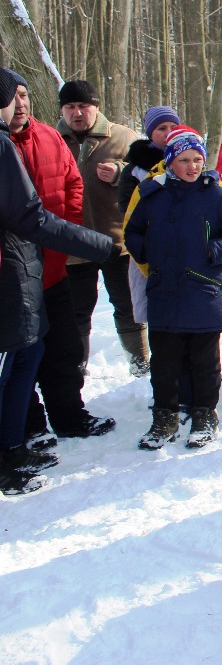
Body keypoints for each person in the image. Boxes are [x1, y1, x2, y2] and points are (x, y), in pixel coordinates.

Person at [1, 69, 113, 495]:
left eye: (27, 95)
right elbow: (24, 214)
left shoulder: (49, 138)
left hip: (50, 264)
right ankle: (25, 429)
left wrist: (63, 238)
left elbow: (71, 185)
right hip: (11, 272)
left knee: (62, 344)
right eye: (16, 96)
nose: (23, 103)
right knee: (18, 357)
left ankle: (68, 414)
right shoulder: (3, 145)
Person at [126, 127, 222, 450]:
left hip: (204, 292)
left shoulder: (216, 194)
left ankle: (204, 414)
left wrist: (214, 251)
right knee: (164, 362)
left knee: (204, 362)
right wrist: (147, 252)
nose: (192, 167)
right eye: (184, 160)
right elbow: (132, 232)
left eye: (197, 159)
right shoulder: (151, 194)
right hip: (164, 292)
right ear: (170, 162)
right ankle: (165, 417)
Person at [56, 80, 149, 377]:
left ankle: (139, 363)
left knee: (129, 307)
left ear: (97, 107)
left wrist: (121, 174)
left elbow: (149, 178)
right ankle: (76, 368)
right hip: (73, 244)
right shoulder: (52, 139)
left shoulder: (123, 137)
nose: (77, 113)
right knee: (76, 313)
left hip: (117, 241)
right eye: (70, 107)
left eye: (83, 106)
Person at [119, 106, 181, 214]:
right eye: (162, 128)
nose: (169, 133)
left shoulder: (191, 160)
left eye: (173, 127)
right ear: (150, 134)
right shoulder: (134, 170)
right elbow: (129, 212)